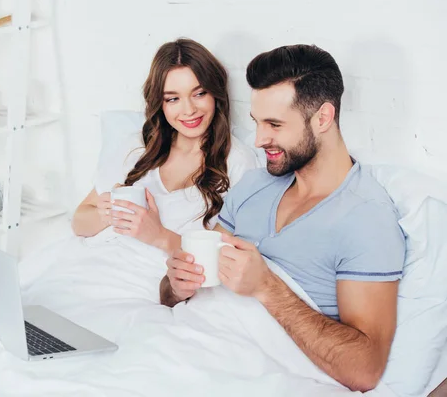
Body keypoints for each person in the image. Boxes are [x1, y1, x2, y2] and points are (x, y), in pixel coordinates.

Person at [160, 44, 406, 392]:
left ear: (323, 118)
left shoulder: (365, 218)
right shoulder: (253, 185)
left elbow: (364, 370)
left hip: (247, 373)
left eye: (274, 124)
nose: (260, 140)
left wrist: (266, 287)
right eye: (257, 123)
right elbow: (175, 290)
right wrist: (175, 284)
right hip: (184, 346)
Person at [71, 38, 257, 254]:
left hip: (165, 276)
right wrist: (106, 214)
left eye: (199, 94)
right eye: (173, 99)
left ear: (215, 94)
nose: (188, 110)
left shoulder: (238, 163)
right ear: (160, 103)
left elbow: (223, 255)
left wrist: (158, 236)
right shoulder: (139, 147)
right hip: (102, 259)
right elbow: (79, 221)